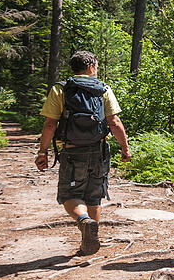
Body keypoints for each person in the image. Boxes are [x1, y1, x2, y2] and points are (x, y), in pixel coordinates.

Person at [35, 51, 130, 255]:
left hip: (71, 150)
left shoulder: (60, 89)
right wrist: (125, 147)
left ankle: (84, 221)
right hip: (99, 150)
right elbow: (114, 122)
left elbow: (50, 123)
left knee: (69, 194)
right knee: (94, 195)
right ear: (90, 67)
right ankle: (89, 240)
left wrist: (43, 152)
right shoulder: (103, 88)